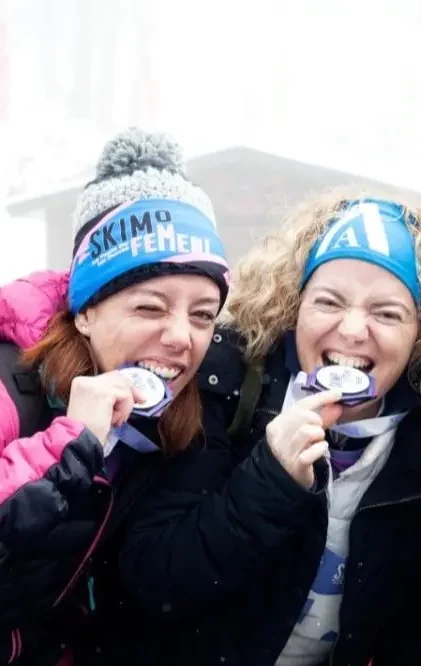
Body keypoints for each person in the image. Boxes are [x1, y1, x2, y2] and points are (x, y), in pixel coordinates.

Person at [84, 192, 421, 666]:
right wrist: (270, 477)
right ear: (294, 309)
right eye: (329, 301)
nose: (353, 330)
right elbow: (153, 578)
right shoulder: (225, 386)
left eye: (387, 313)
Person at [0, 128, 230, 664]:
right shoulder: (13, 378)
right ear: (85, 310)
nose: (181, 337)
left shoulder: (179, 416)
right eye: (150, 307)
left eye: (202, 314)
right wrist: (67, 448)